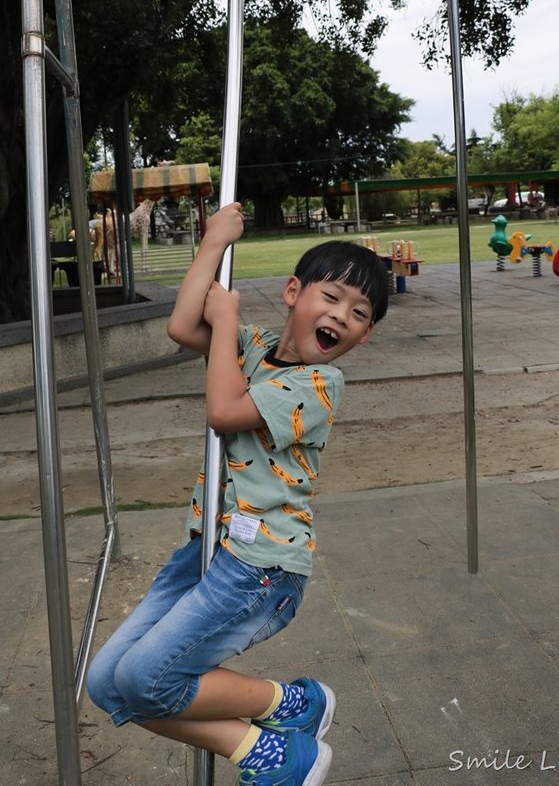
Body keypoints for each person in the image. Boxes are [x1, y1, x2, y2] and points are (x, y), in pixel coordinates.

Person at [87, 201, 388, 786]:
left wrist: (225, 323)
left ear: (365, 334)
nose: (342, 316)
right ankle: (275, 734)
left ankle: (284, 713)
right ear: (293, 292)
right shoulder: (254, 347)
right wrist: (211, 245)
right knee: (108, 683)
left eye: (359, 313)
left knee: (148, 681)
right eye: (331, 297)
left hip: (260, 565)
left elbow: (225, 412)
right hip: (205, 549)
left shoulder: (319, 384)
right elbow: (181, 326)